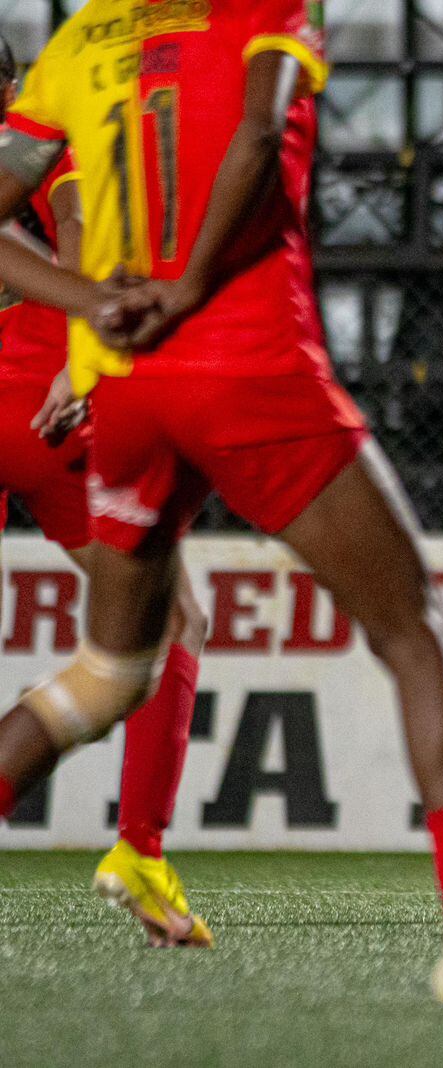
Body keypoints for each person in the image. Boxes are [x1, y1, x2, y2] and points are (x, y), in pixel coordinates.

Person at [0, 1, 443, 1000]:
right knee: (413, 629)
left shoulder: (80, 38)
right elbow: (257, 128)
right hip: (247, 366)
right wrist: (190, 281)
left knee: (108, 675)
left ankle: (137, 841)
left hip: (126, 386)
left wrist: (94, 308)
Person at [0, 34, 211, 947]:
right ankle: (138, 848)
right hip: (30, 388)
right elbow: (85, 230)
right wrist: (85, 358)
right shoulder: (43, 134)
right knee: (168, 622)